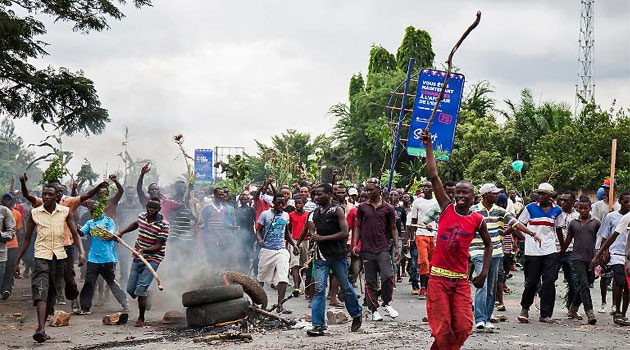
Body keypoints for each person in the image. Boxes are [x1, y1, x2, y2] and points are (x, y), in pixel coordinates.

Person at [419, 132, 492, 349]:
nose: (460, 196)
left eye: (465, 194)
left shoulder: (478, 219)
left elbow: (489, 244)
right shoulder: (446, 209)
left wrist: (484, 272)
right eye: (457, 193)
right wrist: (429, 145)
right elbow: (434, 176)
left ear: (474, 197)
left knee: (463, 326)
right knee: (442, 329)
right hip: (438, 279)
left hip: (460, 280)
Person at [20, 173, 107, 310]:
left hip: (66, 245)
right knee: (50, 278)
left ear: (59, 193)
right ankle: (50, 307)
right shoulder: (44, 202)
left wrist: (98, 187)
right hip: (47, 247)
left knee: (69, 276)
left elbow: (86, 196)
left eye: (56, 192)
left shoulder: (68, 203)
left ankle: (73, 297)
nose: (50, 196)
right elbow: (28, 196)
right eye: (48, 193)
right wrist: (23, 184)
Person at [13, 184, 85, 343]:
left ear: (57, 196)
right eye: (44, 194)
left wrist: (82, 252)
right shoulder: (34, 213)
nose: (46, 197)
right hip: (41, 256)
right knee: (40, 290)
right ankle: (40, 328)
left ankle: (42, 327)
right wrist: (17, 261)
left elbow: (75, 234)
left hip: (59, 257)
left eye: (50, 194)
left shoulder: (65, 212)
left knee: (52, 293)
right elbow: (26, 239)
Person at [470, 184, 538, 331]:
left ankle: (487, 318)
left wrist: (531, 234)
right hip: (478, 251)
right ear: (485, 195)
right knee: (482, 283)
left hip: (495, 252)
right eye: (494, 193)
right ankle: (480, 318)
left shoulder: (499, 211)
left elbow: (515, 223)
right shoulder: (473, 211)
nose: (497, 196)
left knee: (491, 287)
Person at [299, 183, 362, 336]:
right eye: (315, 194)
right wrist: (313, 236)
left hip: (338, 256)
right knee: (320, 289)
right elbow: (310, 228)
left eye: (320, 194)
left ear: (329, 194)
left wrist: (323, 238)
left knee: (346, 287)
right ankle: (318, 325)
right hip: (321, 257)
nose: (316, 197)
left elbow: (344, 232)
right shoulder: (314, 213)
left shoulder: (337, 210)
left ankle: (356, 314)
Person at [118, 197, 169, 327]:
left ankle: (141, 318)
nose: (151, 210)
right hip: (138, 256)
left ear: (159, 209)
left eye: (154, 208)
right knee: (130, 290)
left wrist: (144, 250)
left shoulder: (164, 224)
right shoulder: (141, 216)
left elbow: (158, 245)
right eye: (149, 207)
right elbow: (136, 224)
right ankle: (146, 294)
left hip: (153, 258)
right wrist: (122, 232)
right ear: (146, 207)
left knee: (140, 289)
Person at [517, 183, 563, 324]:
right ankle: (525, 308)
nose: (541, 196)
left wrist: (562, 247)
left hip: (550, 250)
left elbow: (559, 230)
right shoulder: (530, 208)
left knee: (549, 281)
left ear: (550, 196)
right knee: (532, 281)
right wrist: (526, 239)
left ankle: (545, 314)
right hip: (533, 251)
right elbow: (518, 225)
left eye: (544, 194)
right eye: (540, 193)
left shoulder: (557, 210)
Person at [353, 180, 399, 321]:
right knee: (371, 280)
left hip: (383, 247)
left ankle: (386, 302)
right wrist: (355, 244)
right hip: (367, 249)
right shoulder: (362, 207)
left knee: (387, 276)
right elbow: (358, 227)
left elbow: (393, 228)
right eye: (367, 190)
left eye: (371, 189)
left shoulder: (388, 208)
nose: (368, 192)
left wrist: (397, 247)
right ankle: (373, 310)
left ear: (379, 190)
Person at [76, 201, 129, 315]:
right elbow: (81, 233)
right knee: (89, 282)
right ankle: (85, 307)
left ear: (101, 210)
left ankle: (124, 302)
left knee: (111, 282)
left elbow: (109, 235)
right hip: (93, 258)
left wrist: (102, 230)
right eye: (92, 211)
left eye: (97, 210)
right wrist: (78, 229)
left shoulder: (108, 222)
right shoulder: (90, 223)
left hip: (107, 258)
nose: (94, 213)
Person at [592, 191, 630, 326]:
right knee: (619, 281)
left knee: (627, 285)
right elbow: (608, 236)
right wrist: (600, 254)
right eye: (626, 202)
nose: (629, 204)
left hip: (628, 256)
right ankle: (617, 310)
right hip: (616, 254)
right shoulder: (614, 217)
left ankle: (623, 313)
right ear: (620, 202)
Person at [256, 193, 297, 314]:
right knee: (261, 277)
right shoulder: (265, 214)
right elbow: (258, 230)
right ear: (273, 202)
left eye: (282, 203)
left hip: (281, 250)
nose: (280, 205)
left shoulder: (285, 215)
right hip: (267, 250)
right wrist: (259, 239)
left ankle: (280, 305)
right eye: (278, 203)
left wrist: (294, 245)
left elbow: (286, 233)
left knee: (283, 277)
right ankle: (259, 304)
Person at [562, 198, 600, 324]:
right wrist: (561, 251)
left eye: (586, 208)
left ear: (590, 208)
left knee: (585, 284)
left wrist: (600, 255)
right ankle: (590, 312)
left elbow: (600, 239)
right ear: (577, 208)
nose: (583, 210)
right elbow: (568, 239)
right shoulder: (573, 223)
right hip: (577, 257)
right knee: (583, 284)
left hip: (591, 258)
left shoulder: (596, 223)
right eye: (580, 208)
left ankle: (573, 308)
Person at [410, 182, 439, 300]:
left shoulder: (437, 202)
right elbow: (413, 220)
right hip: (421, 234)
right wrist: (412, 237)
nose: (426, 189)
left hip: (435, 235)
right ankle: (422, 287)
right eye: (424, 187)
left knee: (433, 263)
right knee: (423, 262)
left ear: (433, 188)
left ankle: (430, 287)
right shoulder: (417, 202)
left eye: (428, 186)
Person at [555, 192, 579, 313]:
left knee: (573, 282)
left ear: (573, 202)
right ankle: (546, 309)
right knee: (549, 279)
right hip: (555, 250)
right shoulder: (556, 213)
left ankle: (571, 307)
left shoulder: (578, 216)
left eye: (566, 200)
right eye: (562, 200)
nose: (563, 203)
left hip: (571, 251)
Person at [115, 186, 142, 288]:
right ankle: (123, 283)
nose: (130, 195)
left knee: (136, 262)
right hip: (124, 237)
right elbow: (117, 221)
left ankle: (134, 284)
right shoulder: (120, 207)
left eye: (132, 193)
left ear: (134, 194)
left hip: (136, 238)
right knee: (124, 262)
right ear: (126, 194)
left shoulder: (139, 207)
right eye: (128, 193)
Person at [2, 193, 22, 300]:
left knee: (9, 268)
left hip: (12, 245)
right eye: (5, 200)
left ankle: (7, 289)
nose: (7, 201)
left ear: (12, 201)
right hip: (1, 246)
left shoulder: (17, 214)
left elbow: (19, 231)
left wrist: (19, 247)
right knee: (2, 267)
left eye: (9, 200)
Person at [288, 197, 309, 289]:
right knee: (295, 263)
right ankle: (296, 286)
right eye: (296, 203)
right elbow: (288, 229)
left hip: (305, 241)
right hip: (294, 241)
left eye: (300, 203)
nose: (298, 205)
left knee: (303, 263)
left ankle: (300, 283)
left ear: (304, 203)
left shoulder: (308, 215)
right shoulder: (291, 215)